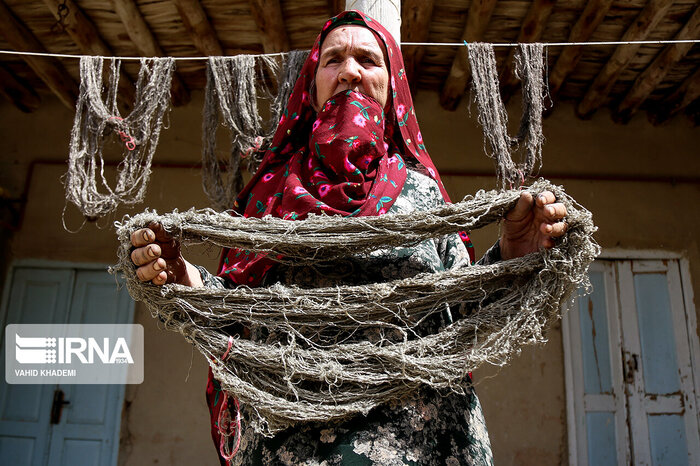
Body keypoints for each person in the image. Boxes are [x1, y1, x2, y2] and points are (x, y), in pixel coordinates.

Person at [129, 11, 567, 465]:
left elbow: (458, 312)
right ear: (313, 83)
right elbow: (236, 310)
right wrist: (180, 274)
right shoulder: (272, 190)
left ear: (392, 82)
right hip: (291, 440)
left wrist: (513, 252)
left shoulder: (423, 191)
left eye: (367, 60)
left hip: (419, 442)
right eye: (333, 59)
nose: (350, 72)